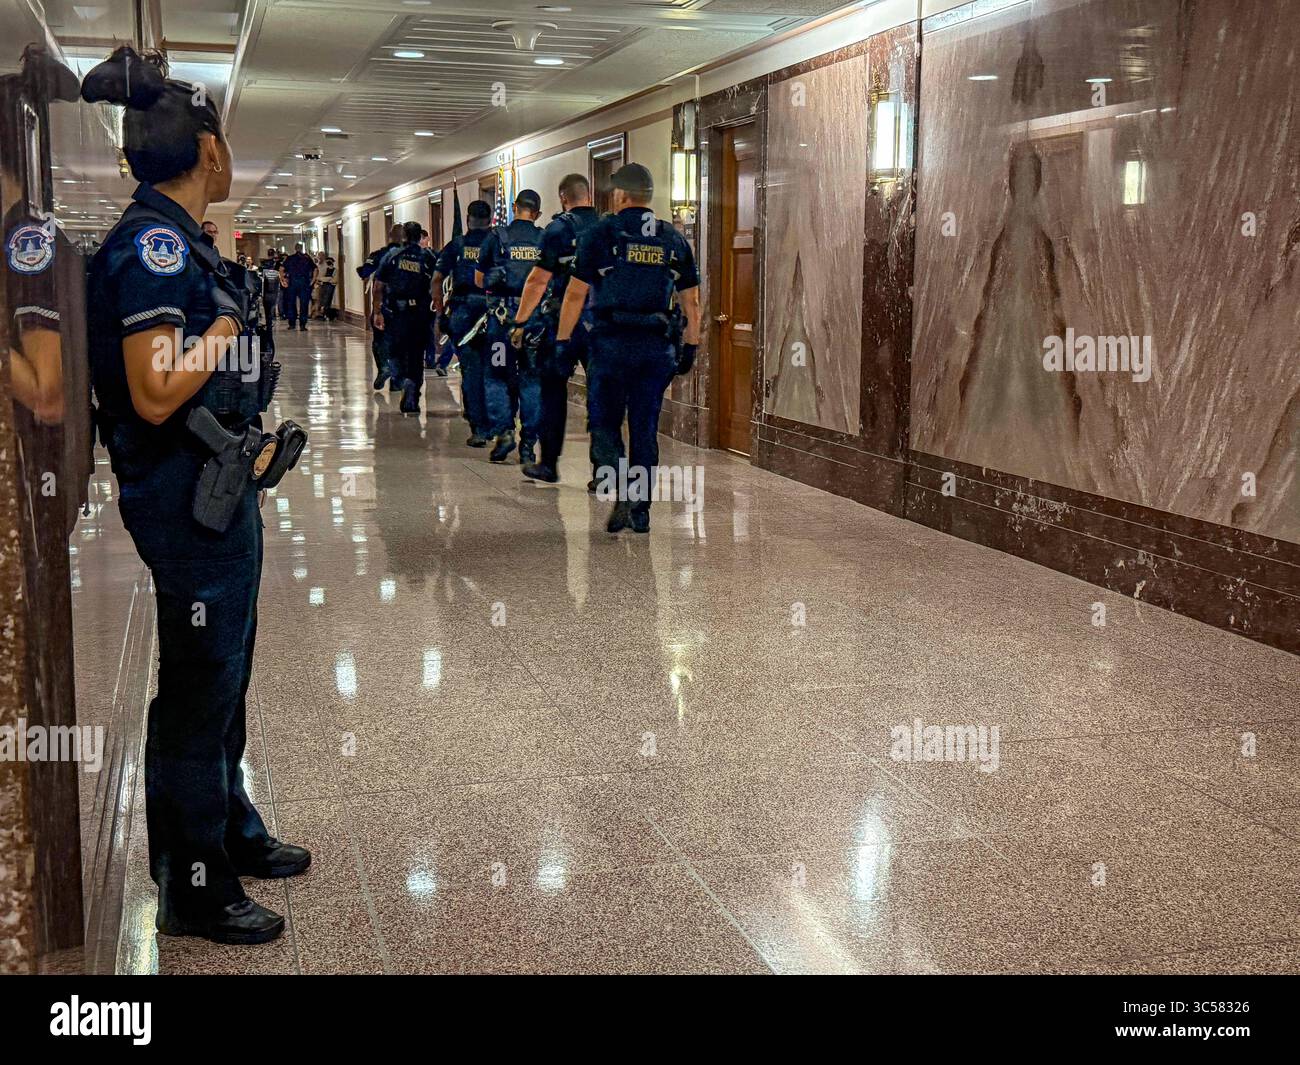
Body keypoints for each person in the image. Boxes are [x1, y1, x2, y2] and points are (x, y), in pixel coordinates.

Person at [80, 45, 309, 945]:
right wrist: (221, 323)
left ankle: (233, 827)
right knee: (196, 690)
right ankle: (195, 884)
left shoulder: (174, 240)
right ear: (208, 152)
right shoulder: (155, 244)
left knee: (226, 679)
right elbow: (154, 386)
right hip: (186, 502)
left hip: (216, 494)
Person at [556, 162, 701, 533]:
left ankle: (618, 480)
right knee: (644, 427)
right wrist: (691, 348)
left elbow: (575, 295)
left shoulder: (602, 233)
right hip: (656, 348)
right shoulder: (672, 238)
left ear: (620, 195)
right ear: (649, 196)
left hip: (610, 346)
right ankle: (640, 509)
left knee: (604, 422)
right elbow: (692, 303)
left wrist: (562, 342)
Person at [508, 173, 600, 485]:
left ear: (563, 197)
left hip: (563, 321)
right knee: (602, 396)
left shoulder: (557, 229)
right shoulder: (606, 227)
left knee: (553, 392)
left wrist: (520, 321)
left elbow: (537, 280)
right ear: (589, 195)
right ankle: (604, 470)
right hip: (601, 323)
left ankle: (548, 464)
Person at [476, 188, 544, 464]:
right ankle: (528, 444)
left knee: (496, 375)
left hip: (501, 322)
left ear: (514, 207)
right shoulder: (544, 239)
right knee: (532, 379)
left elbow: (480, 280)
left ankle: (503, 432)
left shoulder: (496, 238)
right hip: (534, 323)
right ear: (537, 213)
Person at [433, 199, 493, 446]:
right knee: (496, 370)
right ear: (490, 220)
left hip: (464, 312)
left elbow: (437, 279)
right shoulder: (498, 242)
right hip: (493, 312)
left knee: (471, 369)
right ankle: (497, 424)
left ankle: (478, 427)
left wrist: (439, 312)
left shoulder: (457, 244)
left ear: (468, 219)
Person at [372, 219, 437, 414]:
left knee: (396, 351)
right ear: (419, 237)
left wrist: (377, 311)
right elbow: (437, 282)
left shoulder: (392, 256)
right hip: (420, 312)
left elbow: (378, 286)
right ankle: (412, 390)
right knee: (417, 354)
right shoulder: (427, 257)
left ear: (404, 237)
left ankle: (400, 380)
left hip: (396, 312)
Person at [358, 222, 404, 390]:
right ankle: (396, 381)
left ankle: (383, 367)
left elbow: (364, 273)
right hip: (405, 308)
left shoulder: (378, 255)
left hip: (383, 305)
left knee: (380, 340)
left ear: (389, 237)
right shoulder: (412, 255)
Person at [278, 241, 315, 330]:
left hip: (292, 281)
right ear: (302, 248)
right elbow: (315, 270)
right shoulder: (307, 258)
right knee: (303, 304)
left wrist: (283, 280)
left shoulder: (290, 258)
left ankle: (292, 323)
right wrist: (312, 281)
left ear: (295, 249)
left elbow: (281, 269)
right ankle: (302, 324)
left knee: (291, 303)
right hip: (304, 282)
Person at [318, 255, 337, 319]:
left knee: (328, 299)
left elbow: (334, 280)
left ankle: (326, 313)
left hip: (331, 286)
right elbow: (320, 278)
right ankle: (322, 313)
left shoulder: (335, 270)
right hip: (324, 285)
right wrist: (329, 278)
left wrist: (327, 279)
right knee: (322, 299)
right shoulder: (325, 270)